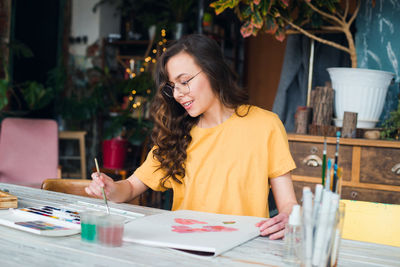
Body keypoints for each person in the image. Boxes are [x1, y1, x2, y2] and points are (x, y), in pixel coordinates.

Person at [85, 34, 297, 240]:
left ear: (213, 71)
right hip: (186, 248)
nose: (177, 94)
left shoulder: (265, 125)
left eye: (184, 81)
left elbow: (288, 204)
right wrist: (111, 189)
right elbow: (130, 188)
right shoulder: (175, 135)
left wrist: (288, 218)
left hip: (245, 250)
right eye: (172, 86)